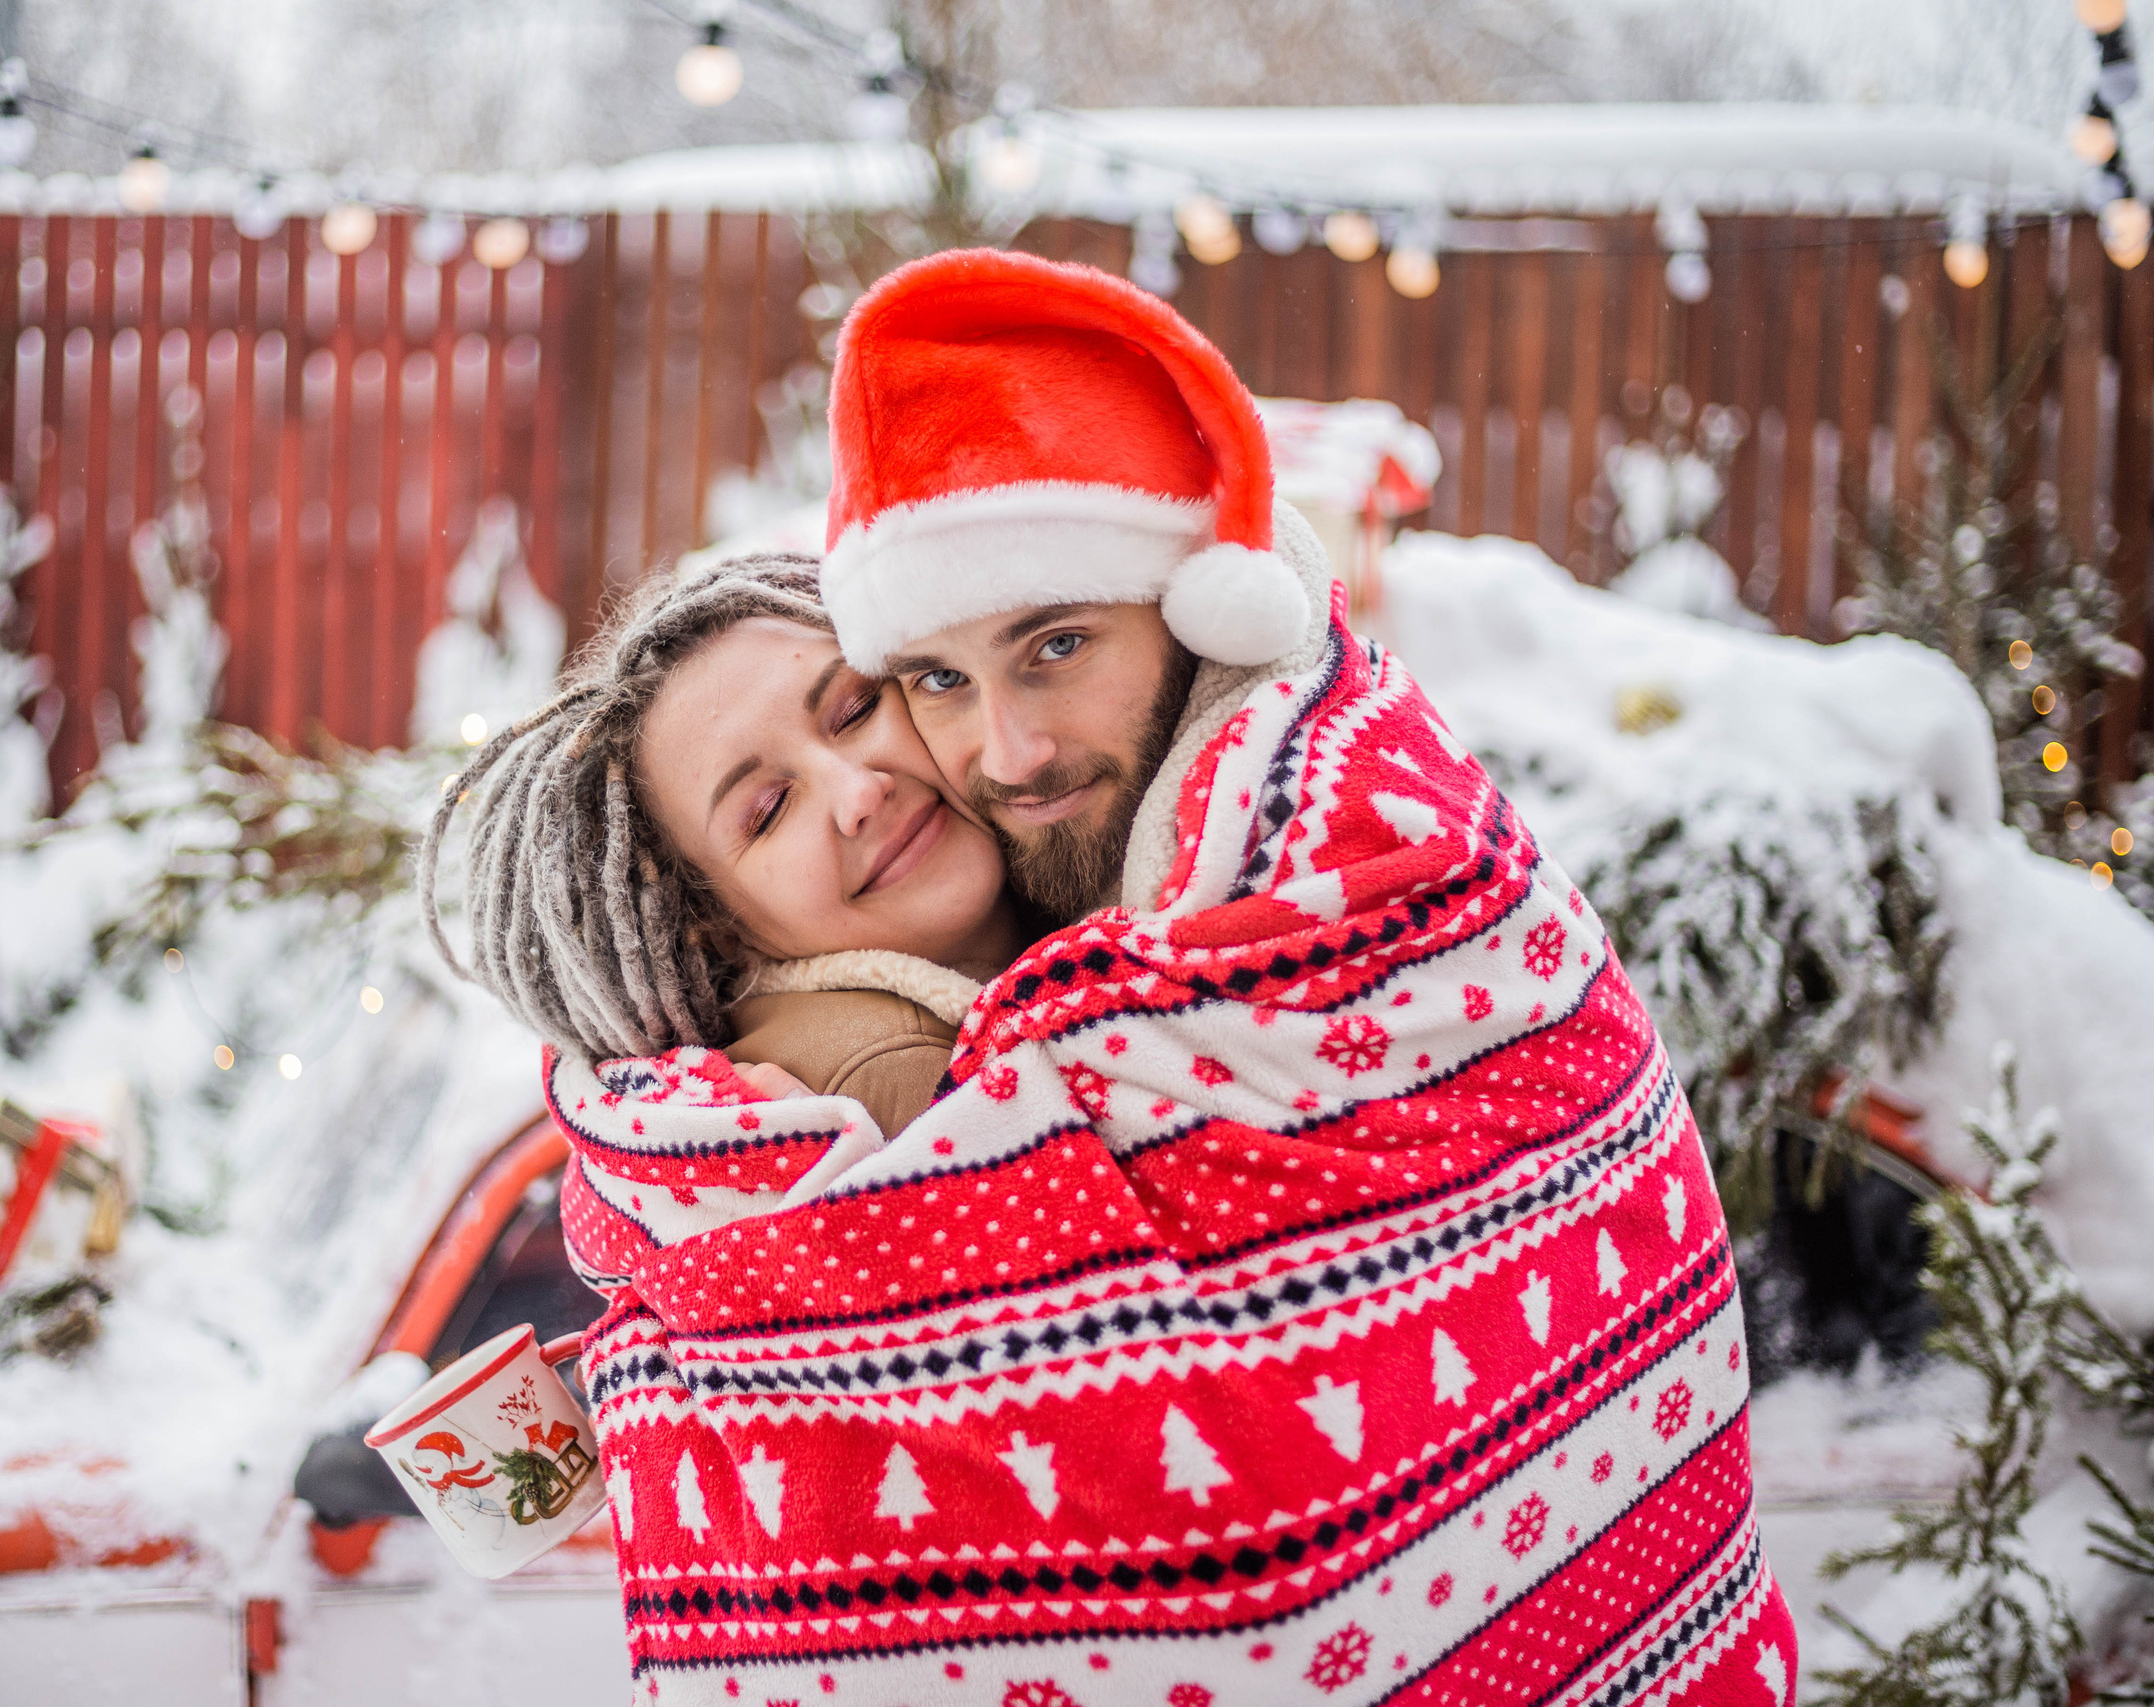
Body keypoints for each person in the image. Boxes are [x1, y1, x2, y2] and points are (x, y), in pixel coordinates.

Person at [525, 248, 1797, 1707]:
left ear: (1206, 610)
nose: (984, 753)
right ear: (721, 926)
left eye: (1050, 647)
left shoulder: (1368, 866)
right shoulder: (863, 1082)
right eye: (937, 677)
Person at [425, 552, 1016, 1145]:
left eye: (855, 709)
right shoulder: (904, 1087)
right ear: (715, 926)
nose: (859, 790)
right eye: (769, 811)